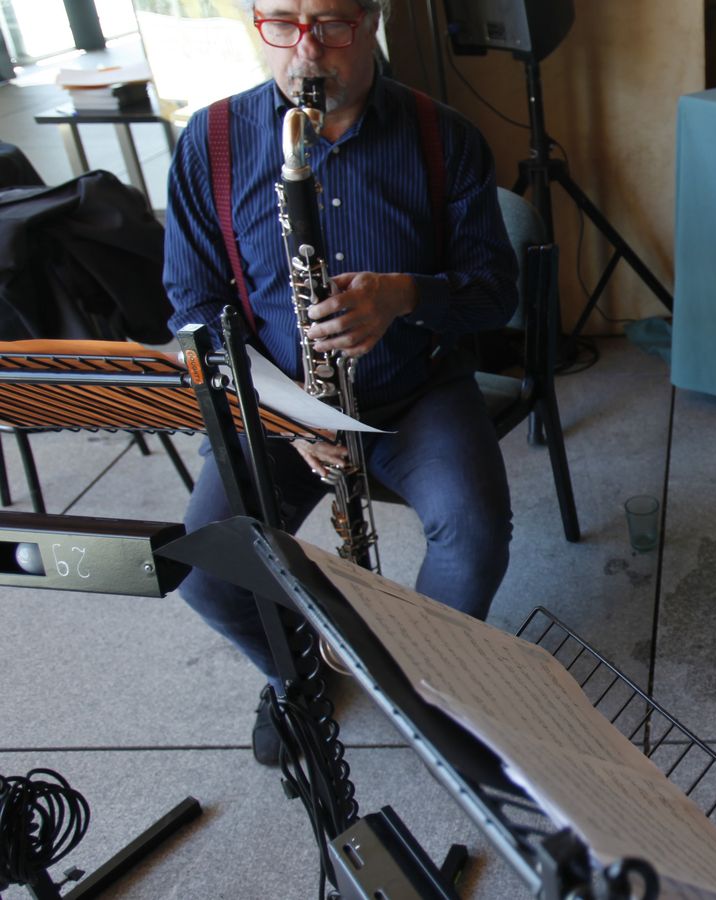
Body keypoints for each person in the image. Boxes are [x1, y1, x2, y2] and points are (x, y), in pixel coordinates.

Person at [164, 0, 518, 765]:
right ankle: (296, 670)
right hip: (278, 402)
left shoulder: (442, 136)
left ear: (375, 19)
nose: (305, 52)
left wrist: (404, 297)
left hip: (414, 391)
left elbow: (496, 293)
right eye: (282, 23)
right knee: (205, 573)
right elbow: (194, 309)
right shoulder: (212, 142)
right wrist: (286, 416)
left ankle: (434, 681)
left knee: (476, 532)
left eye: (331, 24)